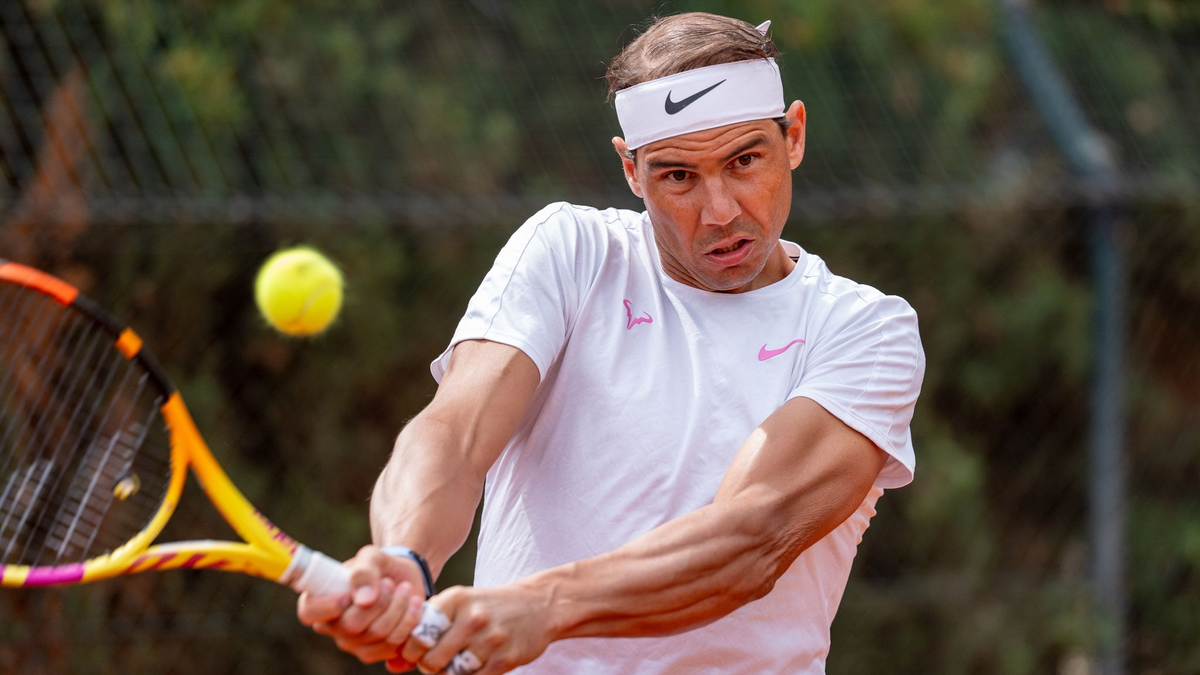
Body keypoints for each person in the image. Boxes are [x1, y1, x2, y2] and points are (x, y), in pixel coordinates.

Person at [297, 12, 925, 675]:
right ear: (631, 169)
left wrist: (546, 604)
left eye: (745, 161)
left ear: (793, 135)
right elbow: (454, 428)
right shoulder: (569, 250)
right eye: (678, 176)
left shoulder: (866, 331)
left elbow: (750, 538)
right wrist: (403, 559)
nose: (720, 211)